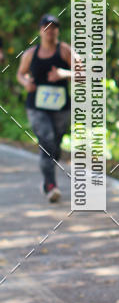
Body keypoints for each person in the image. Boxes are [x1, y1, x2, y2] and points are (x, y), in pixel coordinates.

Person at [17, 15, 73, 203]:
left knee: (55, 146)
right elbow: (20, 74)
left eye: (53, 27)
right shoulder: (30, 54)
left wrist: (63, 74)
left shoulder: (65, 51)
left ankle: (48, 181)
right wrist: (26, 83)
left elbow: (83, 73)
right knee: (46, 141)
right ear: (40, 30)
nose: (50, 31)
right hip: (36, 106)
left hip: (61, 107)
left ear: (58, 31)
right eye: (46, 27)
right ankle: (50, 185)